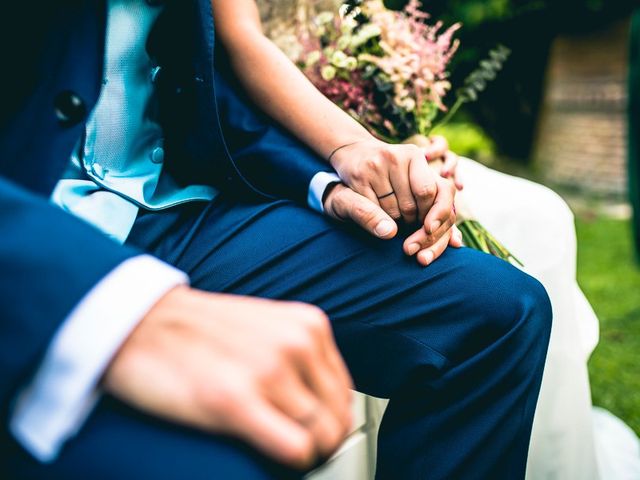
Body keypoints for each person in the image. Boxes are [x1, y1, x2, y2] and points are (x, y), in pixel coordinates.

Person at [0, 1, 552, 479]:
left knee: (497, 312)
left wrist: (343, 162)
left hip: (172, 209)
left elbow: (225, 58)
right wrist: (115, 307)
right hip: (30, 228)